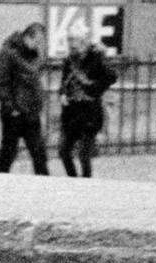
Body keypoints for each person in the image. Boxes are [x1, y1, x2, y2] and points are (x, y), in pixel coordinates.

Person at [56, 24, 118, 178]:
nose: (71, 44)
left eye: (74, 40)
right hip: (71, 112)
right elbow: (64, 82)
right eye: (69, 40)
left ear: (83, 41)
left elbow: (112, 76)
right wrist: (62, 93)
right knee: (63, 151)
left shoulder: (96, 57)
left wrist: (95, 89)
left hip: (90, 112)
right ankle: (73, 180)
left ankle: (86, 184)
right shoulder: (69, 60)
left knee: (84, 155)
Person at [0, 22, 49, 176]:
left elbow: (34, 79)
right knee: (8, 154)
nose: (38, 46)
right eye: (36, 42)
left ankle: (47, 189)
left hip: (31, 112)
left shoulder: (34, 54)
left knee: (39, 154)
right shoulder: (8, 53)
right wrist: (10, 107)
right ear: (27, 37)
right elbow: (0, 81)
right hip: (14, 113)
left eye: (41, 43)